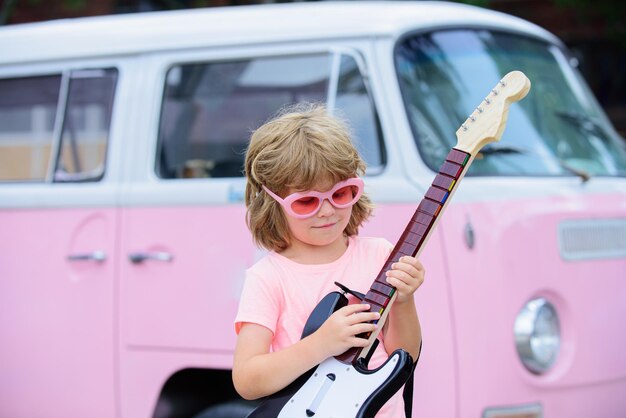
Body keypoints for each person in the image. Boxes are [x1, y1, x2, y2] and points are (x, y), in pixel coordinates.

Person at [233, 104, 424, 417]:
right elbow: (247, 380)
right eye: (307, 201)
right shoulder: (268, 277)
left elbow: (404, 357)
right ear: (272, 204)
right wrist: (322, 343)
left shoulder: (380, 255)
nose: (326, 210)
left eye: (340, 193)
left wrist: (404, 302)